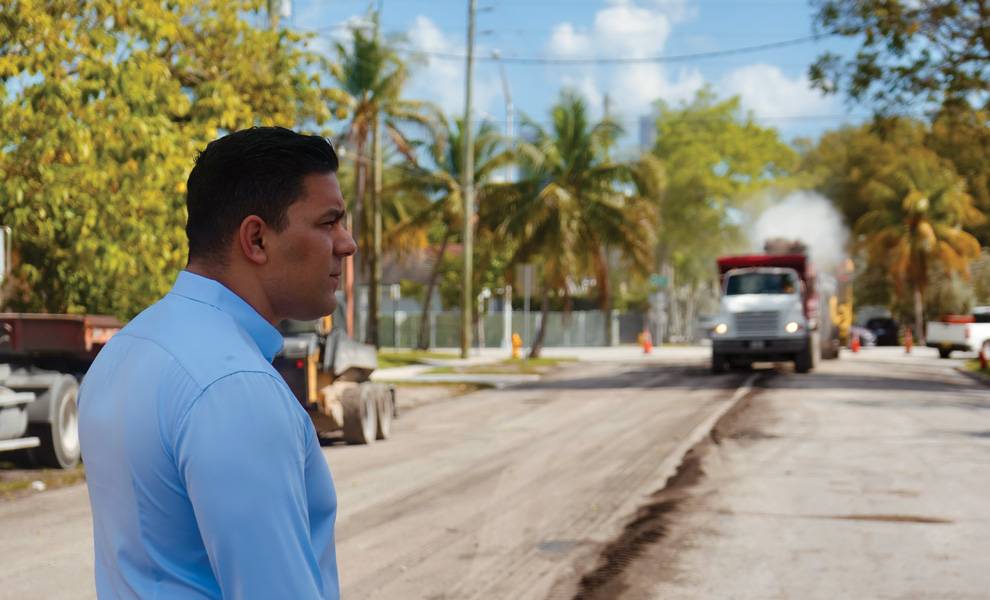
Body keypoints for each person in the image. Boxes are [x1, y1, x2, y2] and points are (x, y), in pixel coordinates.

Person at [79, 127, 356, 599]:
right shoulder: (234, 385)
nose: (346, 244)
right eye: (328, 222)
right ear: (257, 239)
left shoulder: (128, 347)